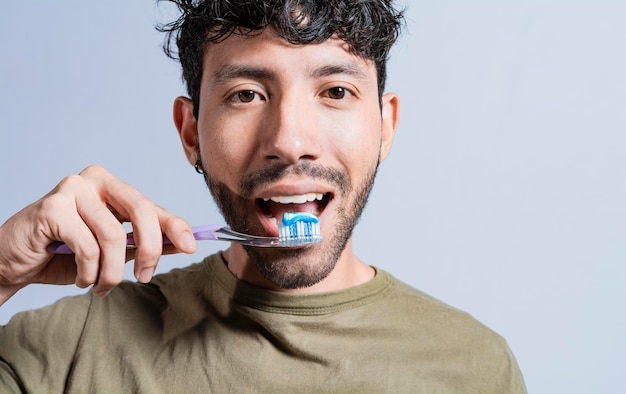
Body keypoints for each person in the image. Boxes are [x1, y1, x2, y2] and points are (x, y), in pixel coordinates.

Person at [0, 0, 526, 392]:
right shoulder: (63, 351)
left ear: (386, 126)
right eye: (246, 94)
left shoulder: (475, 368)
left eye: (335, 92)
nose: (290, 142)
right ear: (191, 132)